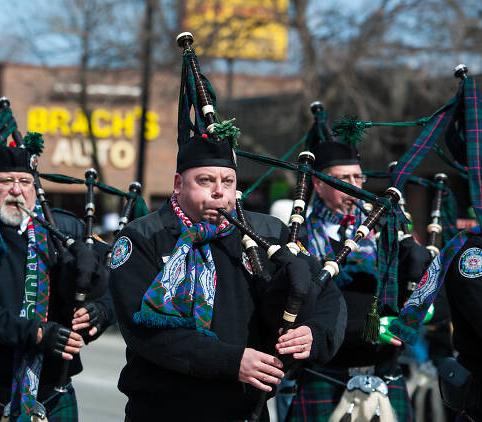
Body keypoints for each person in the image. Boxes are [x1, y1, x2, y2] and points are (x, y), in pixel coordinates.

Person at [109, 133, 347, 421]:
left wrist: (314, 333)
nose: (219, 191)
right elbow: (145, 332)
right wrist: (233, 362)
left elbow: (327, 294)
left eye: (228, 182)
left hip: (245, 411)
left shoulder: (268, 234)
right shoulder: (144, 236)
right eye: (205, 180)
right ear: (178, 184)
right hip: (164, 410)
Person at [0, 144, 114, 421]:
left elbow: (114, 284)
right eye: (6, 181)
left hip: (52, 391)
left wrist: (100, 312)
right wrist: (36, 332)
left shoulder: (67, 230)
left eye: (25, 181)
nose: (17, 190)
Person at [285, 141, 432, 422]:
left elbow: (428, 300)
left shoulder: (387, 234)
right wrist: (366, 331)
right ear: (318, 184)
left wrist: (416, 314)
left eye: (358, 177)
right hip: (324, 376)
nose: (354, 186)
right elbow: (302, 312)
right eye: (343, 179)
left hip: (386, 374)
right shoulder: (300, 239)